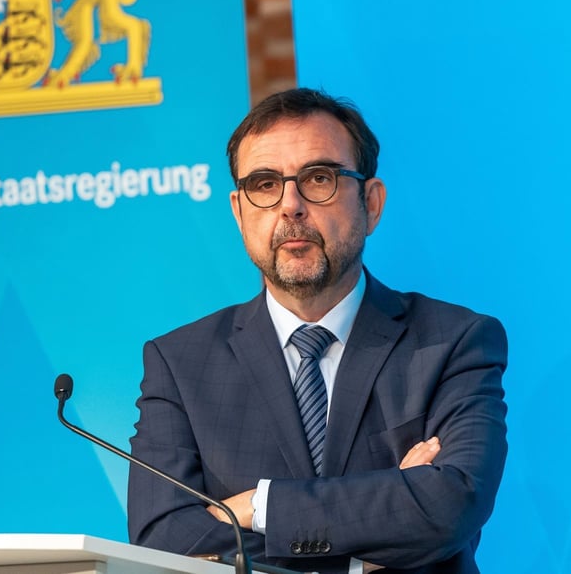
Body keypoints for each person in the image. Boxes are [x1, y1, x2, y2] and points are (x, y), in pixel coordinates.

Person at [128, 88, 508, 574]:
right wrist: (380, 525)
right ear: (239, 212)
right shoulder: (180, 362)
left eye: (319, 178)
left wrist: (258, 507)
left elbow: (450, 504)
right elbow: (164, 541)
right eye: (265, 184)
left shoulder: (453, 341)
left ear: (371, 203)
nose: (290, 206)